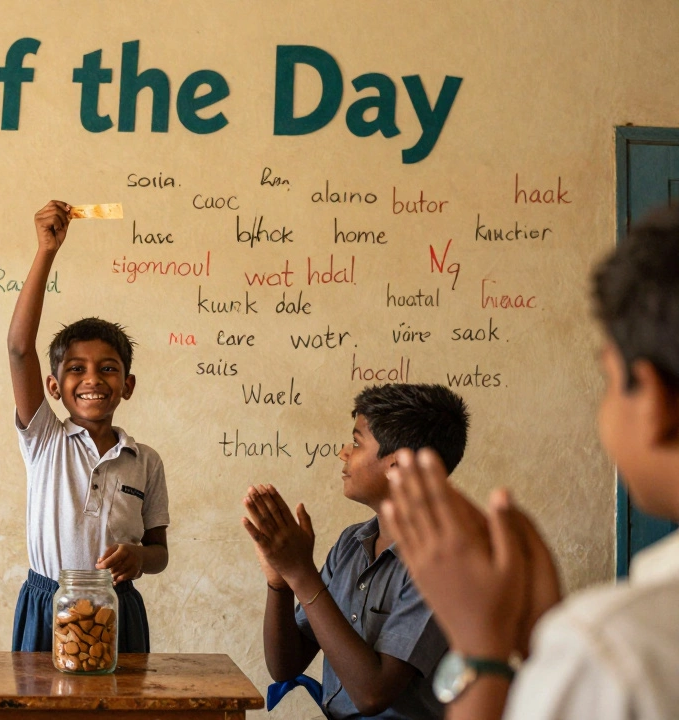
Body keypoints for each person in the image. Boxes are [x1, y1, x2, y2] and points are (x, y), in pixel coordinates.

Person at [381, 204, 679, 720]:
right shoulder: (596, 643)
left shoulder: (612, 648)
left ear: (652, 399)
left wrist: (481, 650)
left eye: (608, 379)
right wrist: (546, 638)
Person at [245, 383, 469, 719]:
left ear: (397, 467)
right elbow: (285, 666)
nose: (343, 453)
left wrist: (302, 575)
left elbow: (372, 695)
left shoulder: (441, 561)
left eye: (356, 442)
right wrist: (280, 583)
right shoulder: (352, 543)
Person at [7, 200, 170, 654]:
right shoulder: (45, 440)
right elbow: (20, 349)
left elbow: (159, 551)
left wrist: (140, 559)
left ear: (128, 385)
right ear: (55, 387)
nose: (93, 379)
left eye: (108, 369)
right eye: (76, 369)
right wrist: (46, 252)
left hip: (117, 605)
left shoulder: (146, 462)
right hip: (48, 603)